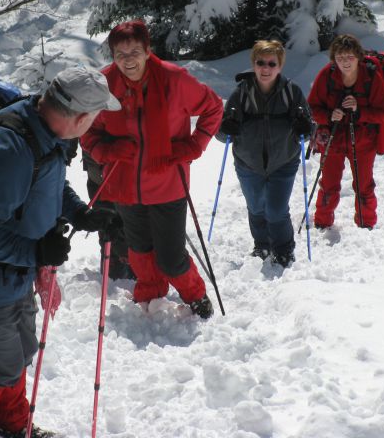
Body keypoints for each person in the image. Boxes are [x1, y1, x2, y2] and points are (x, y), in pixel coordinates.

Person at [0, 65, 123, 438]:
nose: (93, 124)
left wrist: (80, 213)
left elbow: (47, 182)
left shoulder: (42, 131)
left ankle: (16, 425)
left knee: (18, 353)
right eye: (95, 117)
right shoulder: (8, 148)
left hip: (10, 274)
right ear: (80, 116)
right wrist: (36, 252)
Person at [80, 20, 223, 319]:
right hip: (124, 184)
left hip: (168, 183)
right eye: (120, 53)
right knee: (140, 249)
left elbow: (213, 108)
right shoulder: (105, 85)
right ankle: (150, 294)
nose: (128, 60)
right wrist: (107, 150)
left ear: (148, 51)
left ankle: (195, 294)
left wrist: (195, 146)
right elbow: (86, 130)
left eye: (134, 51)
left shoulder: (174, 79)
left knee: (171, 257)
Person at [216, 40, 313, 267]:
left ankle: (284, 248)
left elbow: (308, 130)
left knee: (277, 210)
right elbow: (221, 134)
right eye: (261, 63)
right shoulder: (241, 93)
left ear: (280, 65)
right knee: (256, 208)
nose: (266, 68)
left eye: (272, 63)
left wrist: (305, 127)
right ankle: (262, 245)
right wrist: (227, 128)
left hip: (283, 162)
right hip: (248, 163)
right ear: (254, 64)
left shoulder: (292, 92)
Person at [307, 34, 384, 230]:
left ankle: (366, 224)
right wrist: (329, 116)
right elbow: (312, 108)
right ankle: (322, 223)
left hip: (362, 140)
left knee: (364, 186)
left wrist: (359, 111)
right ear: (334, 58)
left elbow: (382, 113)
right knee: (328, 184)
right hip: (333, 138)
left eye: (350, 57)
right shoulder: (327, 75)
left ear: (358, 57)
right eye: (340, 57)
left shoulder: (371, 77)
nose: (345, 62)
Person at [82, 149, 136, 280]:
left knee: (134, 222)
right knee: (107, 221)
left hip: (132, 168)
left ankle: (132, 262)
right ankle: (116, 262)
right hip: (100, 167)